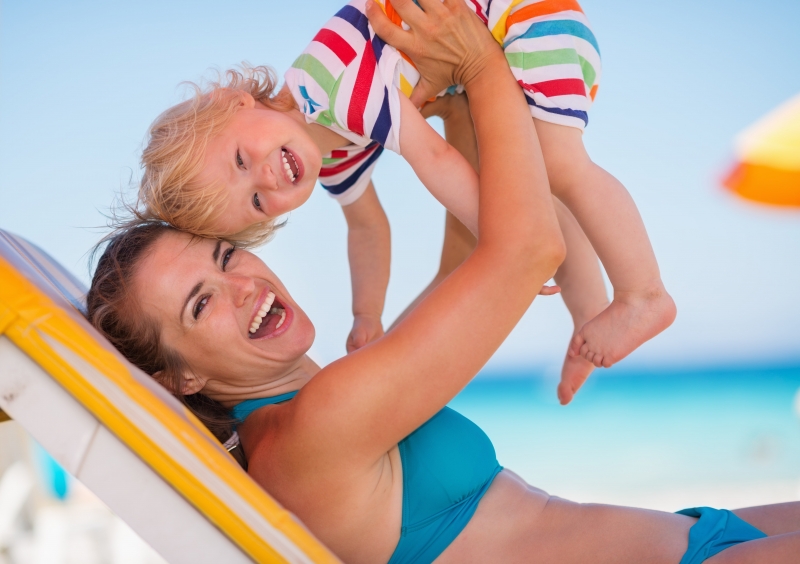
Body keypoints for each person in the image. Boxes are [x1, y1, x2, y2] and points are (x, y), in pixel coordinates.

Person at [89, 3, 800, 562]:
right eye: (201, 304)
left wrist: (458, 105)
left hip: (691, 535)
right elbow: (525, 250)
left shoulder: (317, 405)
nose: (242, 284)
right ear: (179, 379)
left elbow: (468, 267)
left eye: (223, 257)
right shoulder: (313, 432)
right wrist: (484, 65)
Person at [135, 0, 675, 405]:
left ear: (234, 102)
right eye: (255, 200)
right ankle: (589, 321)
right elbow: (366, 227)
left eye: (238, 159)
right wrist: (367, 313)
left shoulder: (325, 86)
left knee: (557, 165)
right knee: (542, 179)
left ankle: (644, 294)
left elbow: (434, 158)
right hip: (499, 40)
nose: (268, 179)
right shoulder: (331, 159)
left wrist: (504, 239)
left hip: (521, 15)